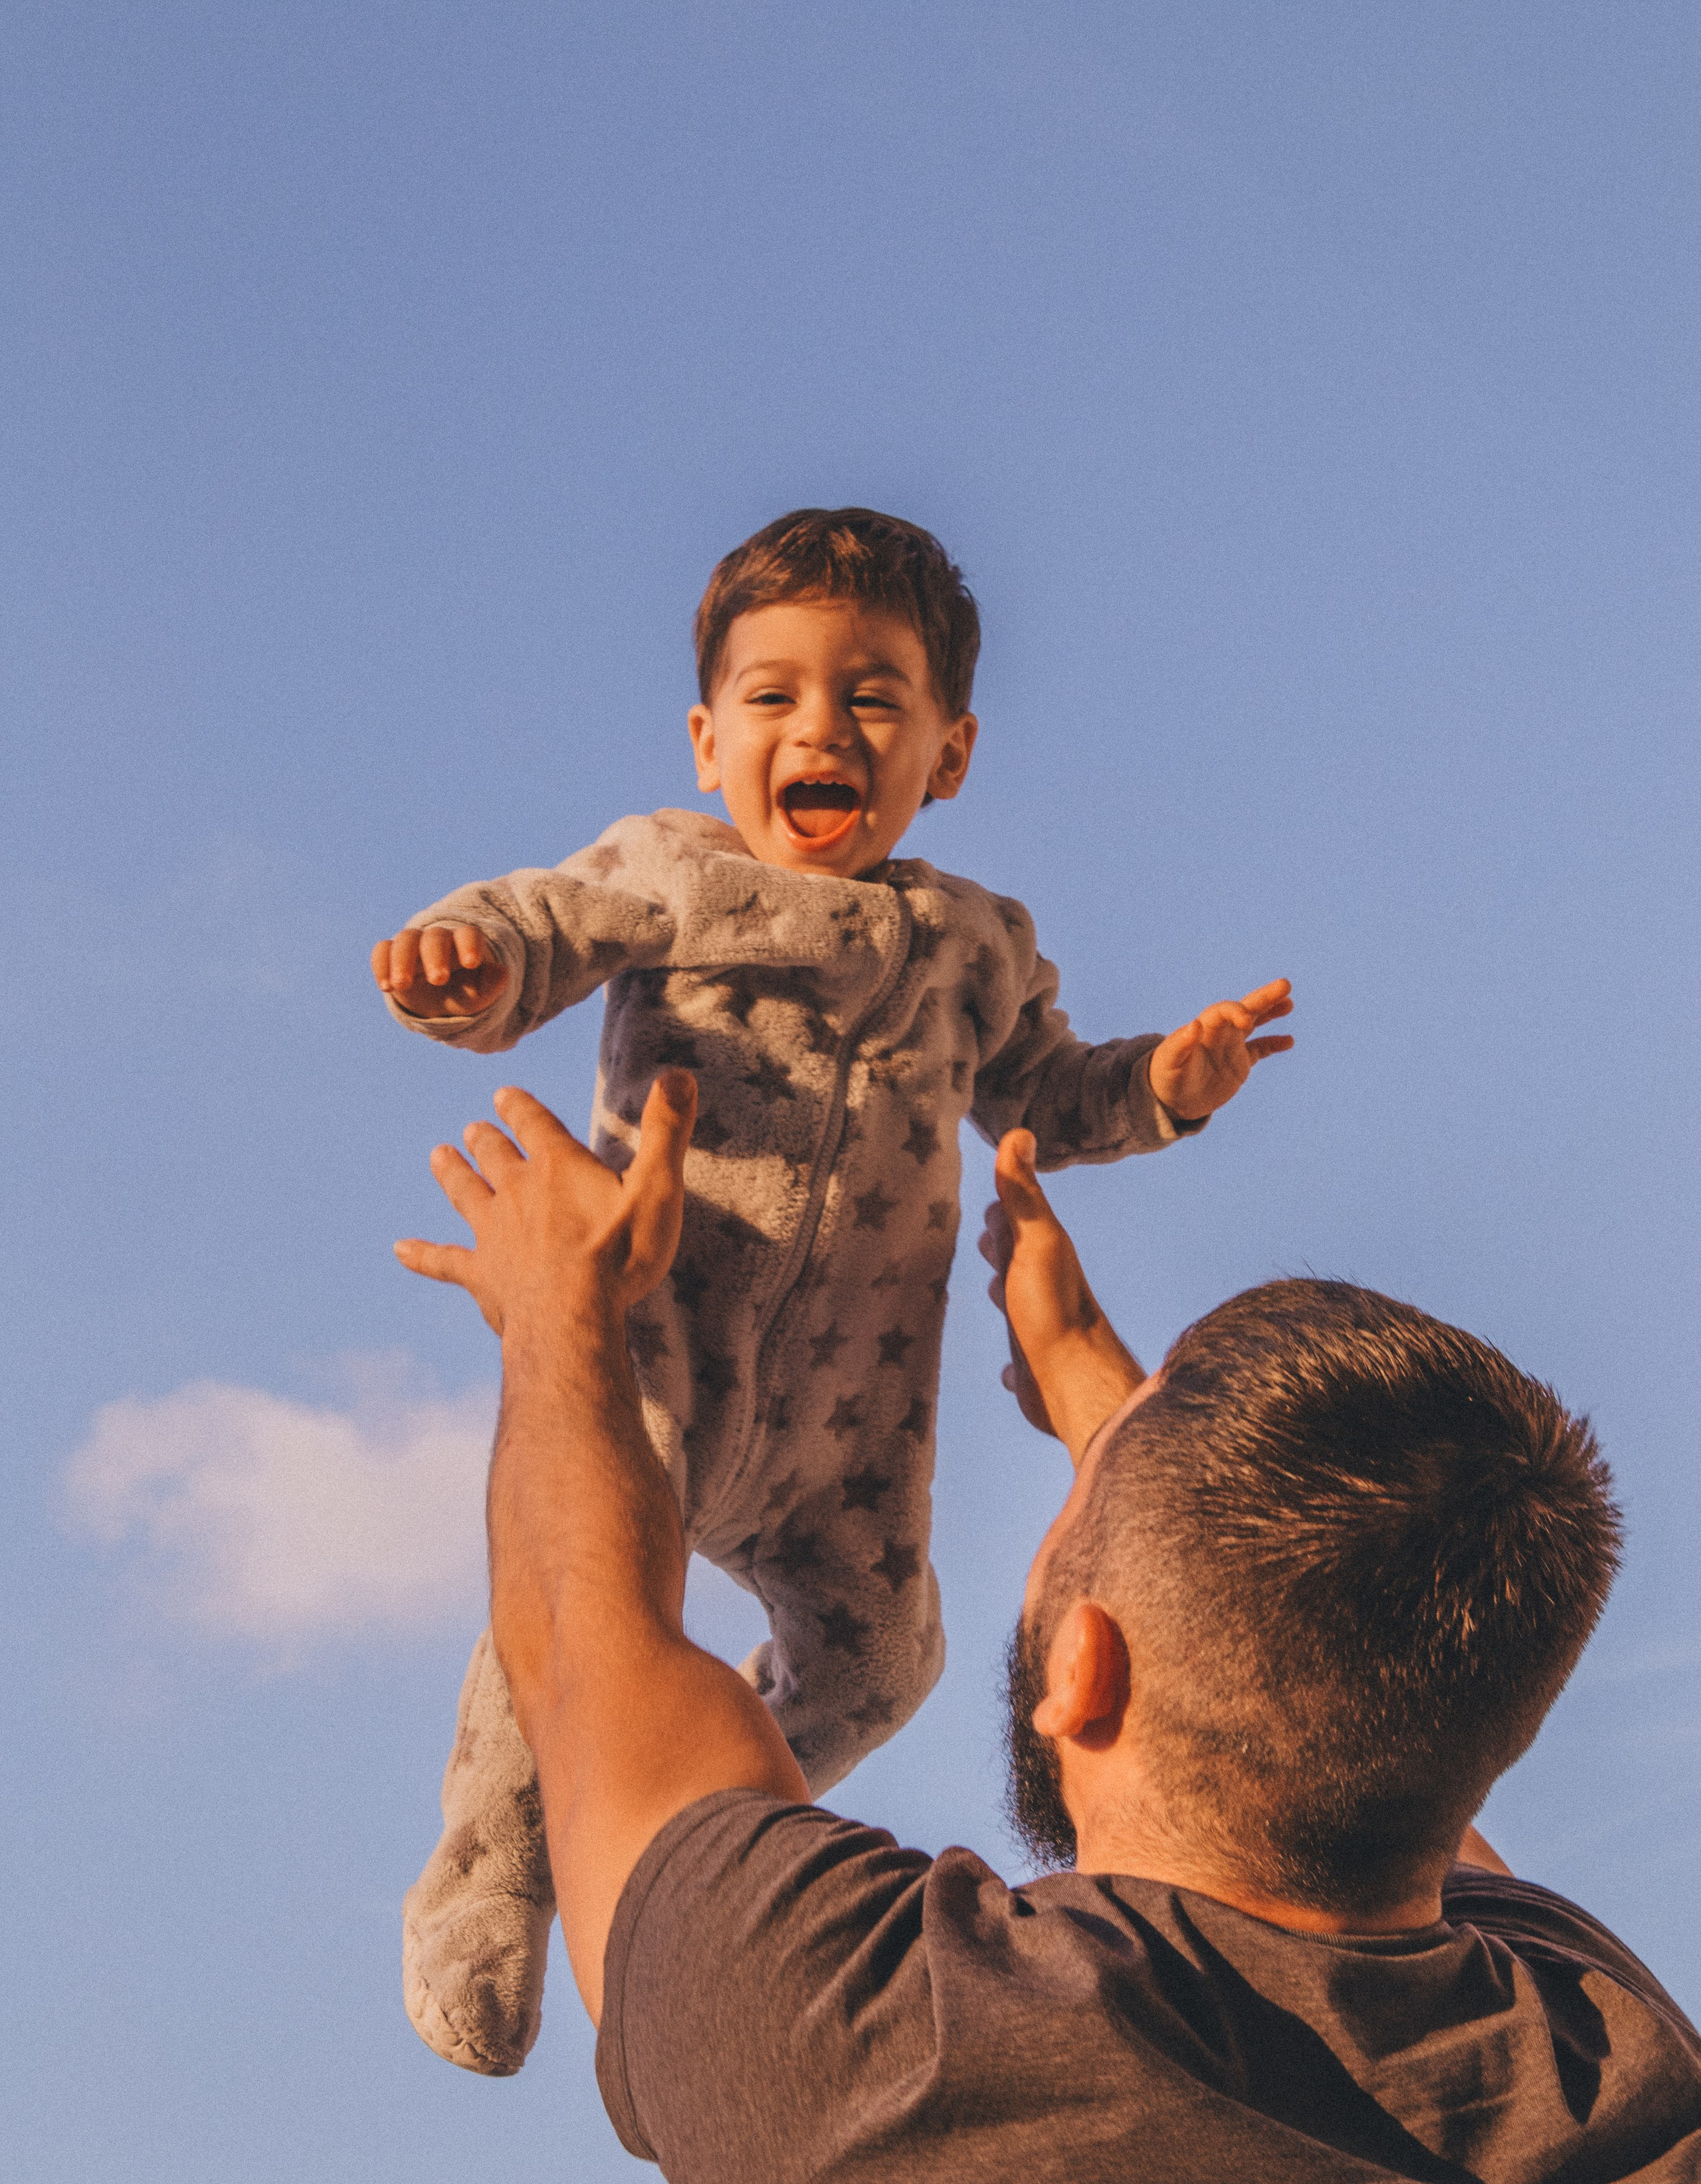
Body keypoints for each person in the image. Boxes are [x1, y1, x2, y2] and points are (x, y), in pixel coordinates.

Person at [396, 1071, 1701, 2184]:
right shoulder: (1625, 2075)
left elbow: (582, 1636)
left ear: (1081, 1664)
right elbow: (1381, 1719)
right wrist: (1095, 1391)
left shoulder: (878, 2035)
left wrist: (565, 1305)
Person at [370, 506, 1294, 2075]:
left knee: (887, 1659)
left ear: (948, 751)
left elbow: (1045, 1098)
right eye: (775, 696)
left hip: (857, 1418)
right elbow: (541, 924)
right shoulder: (668, 871)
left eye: (873, 698)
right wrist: (470, 960)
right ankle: (491, 1882)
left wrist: (1165, 1082)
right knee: (575, 1603)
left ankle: (696, 1795)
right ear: (708, 735)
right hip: (670, 1347)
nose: (821, 728)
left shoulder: (976, 946)